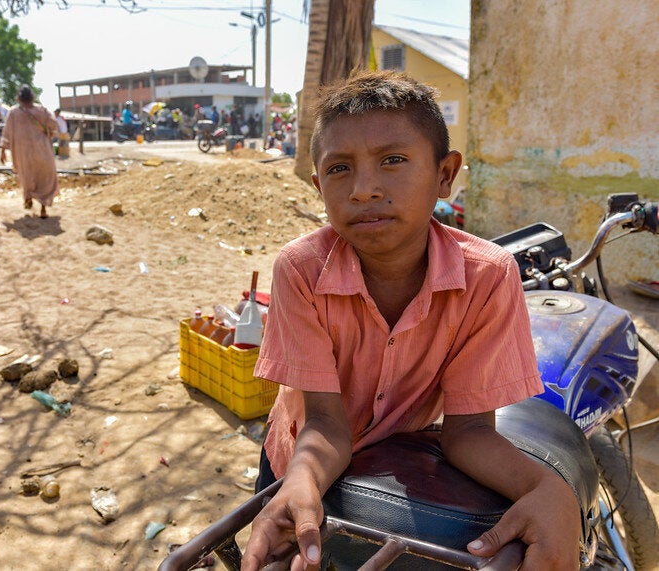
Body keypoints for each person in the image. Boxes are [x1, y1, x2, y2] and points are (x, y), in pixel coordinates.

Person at [242, 70, 580, 571]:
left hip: (399, 464)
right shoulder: (300, 270)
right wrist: (300, 478)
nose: (363, 189)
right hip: (302, 453)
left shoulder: (486, 277)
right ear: (318, 186)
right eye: (339, 169)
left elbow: (467, 432)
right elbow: (325, 424)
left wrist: (549, 489)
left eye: (393, 160)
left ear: (445, 174)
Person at [0, 85, 59, 219]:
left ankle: (28, 199)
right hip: (42, 151)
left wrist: (3, 151)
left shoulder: (14, 112)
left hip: (23, 153)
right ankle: (43, 208)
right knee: (44, 178)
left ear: (19, 98)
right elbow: (54, 126)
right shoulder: (42, 110)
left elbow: (6, 133)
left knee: (27, 177)